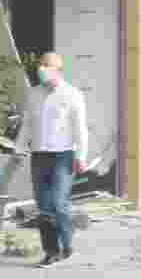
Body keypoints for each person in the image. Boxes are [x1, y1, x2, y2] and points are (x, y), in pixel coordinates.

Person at [13, 51, 89, 267]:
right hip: (39, 156)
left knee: (58, 202)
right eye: (41, 64)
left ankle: (67, 243)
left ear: (59, 69)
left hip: (63, 156)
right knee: (44, 206)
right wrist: (19, 146)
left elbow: (80, 129)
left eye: (47, 65)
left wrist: (81, 156)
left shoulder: (73, 94)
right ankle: (51, 251)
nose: (42, 69)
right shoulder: (34, 93)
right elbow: (27, 124)